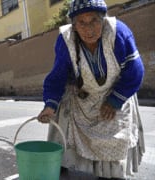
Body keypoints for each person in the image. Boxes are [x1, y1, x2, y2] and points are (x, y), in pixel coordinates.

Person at [37, 0, 145, 179]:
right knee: (62, 115)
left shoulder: (119, 33)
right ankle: (60, 162)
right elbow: (57, 77)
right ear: (74, 25)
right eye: (82, 22)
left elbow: (135, 71)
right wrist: (50, 105)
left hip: (117, 92)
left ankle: (111, 175)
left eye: (94, 20)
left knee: (114, 136)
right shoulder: (66, 40)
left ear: (103, 20)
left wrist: (114, 100)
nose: (88, 28)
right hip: (82, 96)